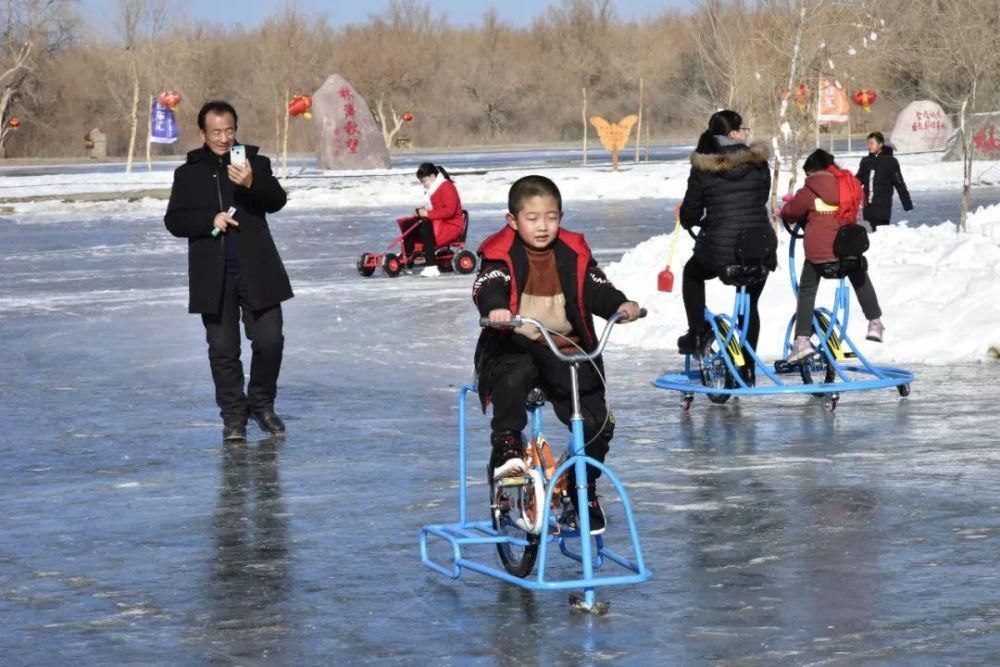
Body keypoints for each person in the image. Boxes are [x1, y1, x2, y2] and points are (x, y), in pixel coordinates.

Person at [473, 175, 641, 534]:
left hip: (566, 350)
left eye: (551, 217)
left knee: (596, 423)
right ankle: (506, 447)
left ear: (561, 217)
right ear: (512, 221)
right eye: (532, 218)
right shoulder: (500, 254)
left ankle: (583, 487)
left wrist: (619, 304)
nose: (543, 226)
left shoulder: (572, 251)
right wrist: (496, 308)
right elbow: (488, 284)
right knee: (513, 370)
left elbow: (596, 286)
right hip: (514, 344)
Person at [164, 101, 292, 442]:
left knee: (270, 341)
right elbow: (174, 220)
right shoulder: (187, 174)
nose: (224, 138)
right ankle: (234, 417)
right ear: (203, 134)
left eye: (229, 130)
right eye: (216, 132)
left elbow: (277, 200)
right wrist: (210, 221)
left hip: (258, 270)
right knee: (223, 351)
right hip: (213, 276)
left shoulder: (255, 163)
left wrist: (252, 183)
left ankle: (262, 405)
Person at [677, 109, 776, 386]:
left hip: (721, 250)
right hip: (760, 246)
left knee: (692, 273)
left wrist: (691, 218)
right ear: (733, 134)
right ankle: (747, 370)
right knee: (750, 303)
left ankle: (696, 333)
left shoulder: (704, 167)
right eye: (743, 129)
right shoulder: (759, 164)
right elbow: (761, 196)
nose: (747, 133)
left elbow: (691, 214)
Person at [780, 149, 885, 362]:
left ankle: (802, 341)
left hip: (820, 258)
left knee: (807, 289)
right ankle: (875, 322)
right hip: (847, 252)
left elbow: (791, 213)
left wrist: (785, 209)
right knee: (859, 274)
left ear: (812, 170)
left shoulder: (810, 189)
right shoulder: (848, 183)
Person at [396, 163, 465, 276]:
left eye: (424, 181)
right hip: (438, 222)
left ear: (433, 177)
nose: (423, 184)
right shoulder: (432, 189)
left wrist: (427, 214)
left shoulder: (447, 187)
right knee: (409, 223)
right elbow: (433, 209)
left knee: (425, 226)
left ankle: (431, 265)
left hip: (450, 225)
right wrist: (420, 212)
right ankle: (407, 260)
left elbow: (449, 210)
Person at [856, 131, 913, 232]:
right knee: (870, 236)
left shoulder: (890, 162)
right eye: (868, 143)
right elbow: (858, 180)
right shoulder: (865, 161)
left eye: (871, 143)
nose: (869, 146)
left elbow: (899, 184)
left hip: (882, 207)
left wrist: (907, 204)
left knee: (880, 235)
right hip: (867, 208)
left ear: (880, 144)